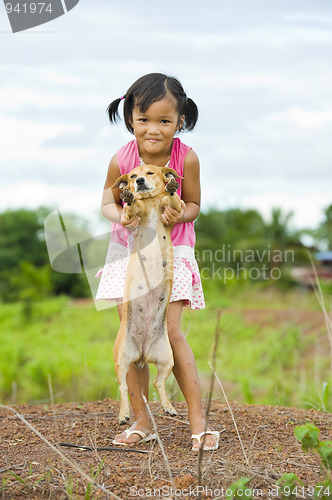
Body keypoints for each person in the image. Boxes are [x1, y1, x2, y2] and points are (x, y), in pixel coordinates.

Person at [96, 73, 219, 451]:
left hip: (172, 254)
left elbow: (195, 204)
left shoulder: (187, 158)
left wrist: (180, 215)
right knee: (132, 332)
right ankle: (142, 421)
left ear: (180, 122)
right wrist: (122, 217)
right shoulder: (121, 158)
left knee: (169, 330)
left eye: (164, 121)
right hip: (128, 254)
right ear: (130, 117)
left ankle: (199, 425)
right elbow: (107, 203)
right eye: (144, 119)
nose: (153, 129)